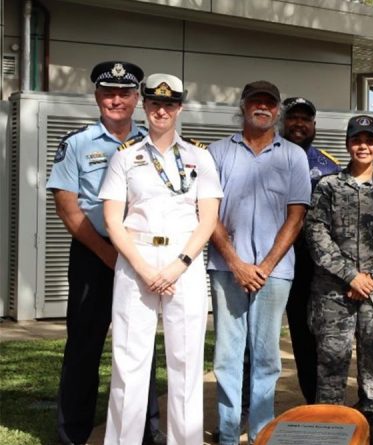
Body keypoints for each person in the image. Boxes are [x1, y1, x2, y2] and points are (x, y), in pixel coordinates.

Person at [46, 61, 165, 445]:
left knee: (140, 347)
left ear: (136, 99)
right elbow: (68, 208)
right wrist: (106, 254)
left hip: (142, 258)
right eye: (108, 93)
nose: (116, 100)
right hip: (92, 256)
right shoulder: (78, 143)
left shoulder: (155, 143)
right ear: (97, 96)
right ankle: (72, 436)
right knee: (84, 346)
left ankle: (147, 432)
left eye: (124, 93)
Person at [99, 73, 222, 444]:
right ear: (145, 105)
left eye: (169, 104)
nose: (161, 110)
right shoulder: (125, 157)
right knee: (128, 362)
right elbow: (112, 220)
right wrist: (143, 267)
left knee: (186, 363)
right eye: (154, 103)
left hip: (183, 260)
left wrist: (176, 265)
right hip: (136, 259)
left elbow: (209, 219)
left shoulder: (200, 156)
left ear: (179, 107)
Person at [207, 81, 311, 444]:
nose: (262, 108)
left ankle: (263, 432)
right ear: (243, 105)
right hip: (226, 269)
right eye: (256, 102)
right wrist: (235, 262)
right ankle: (228, 432)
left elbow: (296, 216)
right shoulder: (216, 153)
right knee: (227, 355)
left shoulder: (294, 155)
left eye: (269, 103)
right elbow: (208, 214)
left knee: (267, 356)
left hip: (276, 272)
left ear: (278, 109)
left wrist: (265, 266)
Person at [306, 115, 373, 445]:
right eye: (357, 140)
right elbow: (316, 233)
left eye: (369, 140)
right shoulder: (327, 186)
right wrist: (351, 276)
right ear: (348, 144)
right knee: (331, 365)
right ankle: (329, 431)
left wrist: (372, 277)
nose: (363, 146)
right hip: (334, 293)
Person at [281, 96, 341, 405]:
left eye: (305, 119)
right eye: (293, 118)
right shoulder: (268, 157)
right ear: (283, 121)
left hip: (310, 264)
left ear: (314, 125)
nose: (299, 124)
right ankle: (244, 407)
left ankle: (314, 404)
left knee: (308, 336)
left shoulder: (327, 166)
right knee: (254, 340)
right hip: (268, 260)